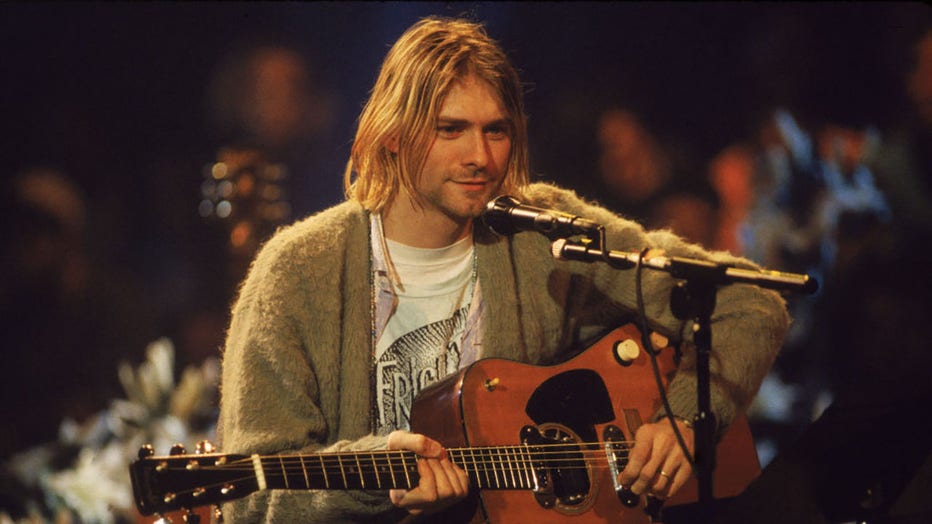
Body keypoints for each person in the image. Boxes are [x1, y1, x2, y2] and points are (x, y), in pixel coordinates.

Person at [218, 16, 790, 522]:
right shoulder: (296, 273)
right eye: (451, 129)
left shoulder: (541, 233)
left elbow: (749, 302)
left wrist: (685, 420)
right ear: (391, 137)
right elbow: (252, 497)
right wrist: (375, 484)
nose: (482, 157)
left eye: (496, 130)